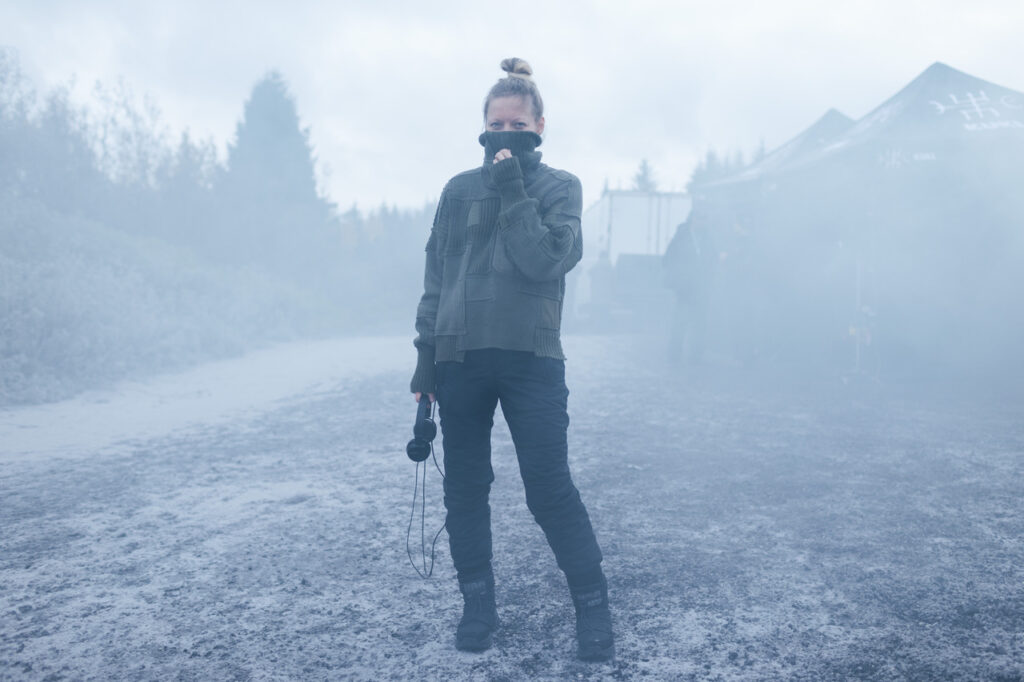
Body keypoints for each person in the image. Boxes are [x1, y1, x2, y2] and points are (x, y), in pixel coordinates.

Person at [409, 58, 614, 662]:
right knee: (465, 491)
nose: (504, 134)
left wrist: (511, 187)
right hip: (459, 360)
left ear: (540, 126)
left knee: (549, 491)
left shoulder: (560, 188)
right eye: (495, 124)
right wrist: (425, 362)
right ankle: (478, 605)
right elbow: (435, 278)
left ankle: (593, 608)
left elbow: (547, 260)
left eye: (516, 123)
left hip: (532, 361)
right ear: (483, 125)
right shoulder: (456, 190)